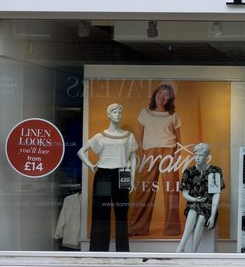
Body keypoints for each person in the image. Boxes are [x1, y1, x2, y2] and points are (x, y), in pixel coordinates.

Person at [78, 103, 137, 252]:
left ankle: (123, 253)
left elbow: (133, 156)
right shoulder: (100, 136)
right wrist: (91, 165)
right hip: (103, 175)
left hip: (121, 175)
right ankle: (98, 251)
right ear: (108, 114)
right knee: (101, 213)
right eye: (114, 112)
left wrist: (132, 177)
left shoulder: (128, 136)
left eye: (119, 112)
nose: (118, 114)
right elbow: (81, 152)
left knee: (122, 214)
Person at [129, 83, 183, 237]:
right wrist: (143, 152)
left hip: (169, 151)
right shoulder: (145, 112)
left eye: (166, 95)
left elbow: (179, 137)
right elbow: (139, 135)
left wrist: (177, 155)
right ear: (155, 95)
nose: (162, 97)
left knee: (171, 190)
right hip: (150, 152)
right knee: (145, 189)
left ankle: (172, 229)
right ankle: (137, 228)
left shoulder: (173, 115)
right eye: (160, 93)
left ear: (170, 99)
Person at [176, 143, 224, 253]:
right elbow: (185, 194)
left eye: (201, 155)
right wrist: (195, 199)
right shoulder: (189, 172)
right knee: (194, 208)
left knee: (202, 217)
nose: (197, 157)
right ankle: (183, 246)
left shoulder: (215, 171)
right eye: (195, 154)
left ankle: (189, 250)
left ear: (207, 156)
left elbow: (216, 194)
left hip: (208, 206)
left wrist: (212, 216)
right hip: (193, 204)